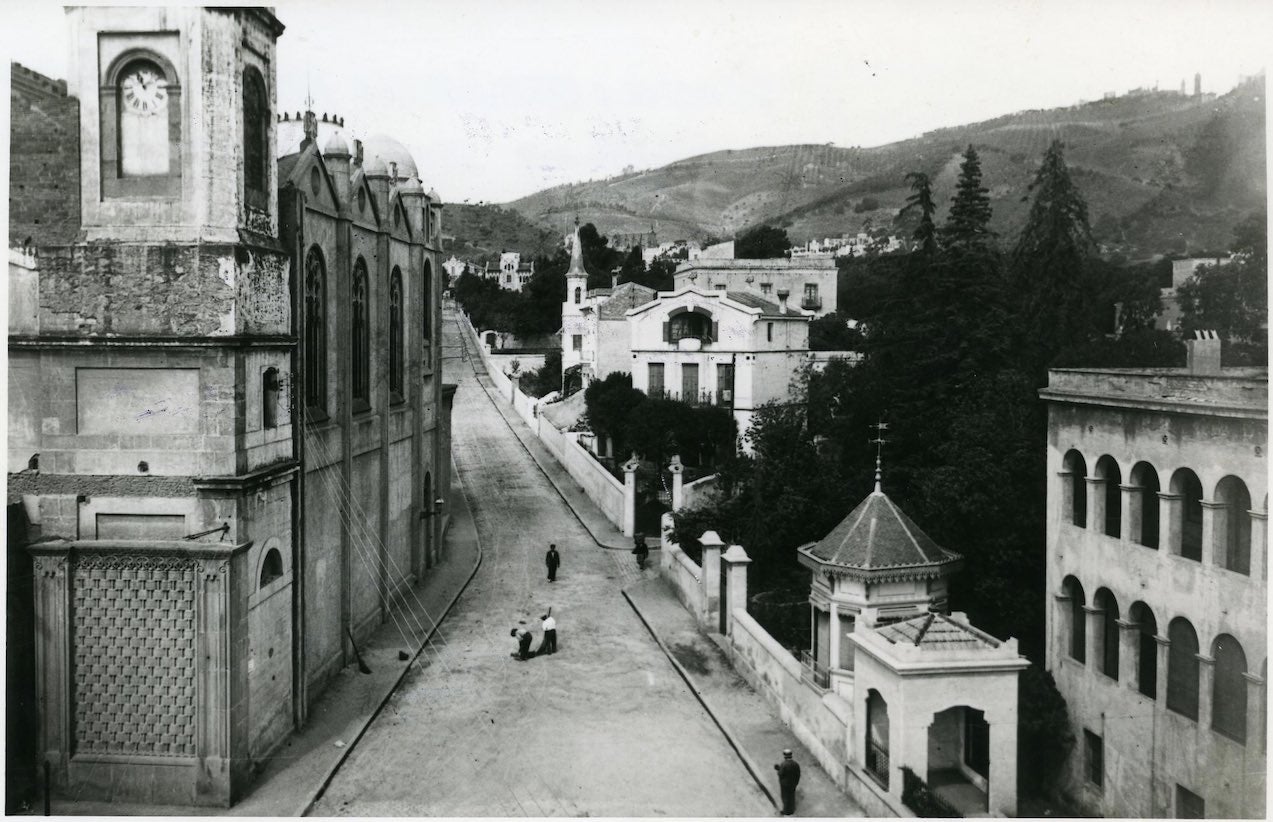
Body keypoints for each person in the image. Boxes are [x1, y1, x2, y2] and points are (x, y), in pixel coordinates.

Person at [774, 749, 801, 816]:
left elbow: (780, 774)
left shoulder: (784, 764)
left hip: (785, 785)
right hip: (793, 784)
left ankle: (786, 811)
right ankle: (792, 809)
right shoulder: (795, 764)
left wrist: (778, 769)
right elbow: (798, 774)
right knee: (792, 796)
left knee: (785, 797)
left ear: (785, 756)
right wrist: (796, 783)